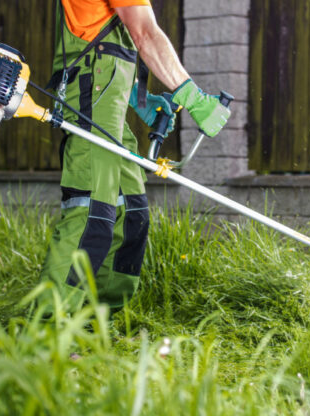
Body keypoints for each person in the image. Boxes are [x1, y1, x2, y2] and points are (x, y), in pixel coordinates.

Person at [39, 0, 230, 313]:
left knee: (131, 211)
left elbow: (98, 34)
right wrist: (193, 97)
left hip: (104, 94)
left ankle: (99, 318)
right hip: (93, 90)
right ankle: (45, 332)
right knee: (92, 210)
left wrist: (134, 96)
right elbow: (144, 33)